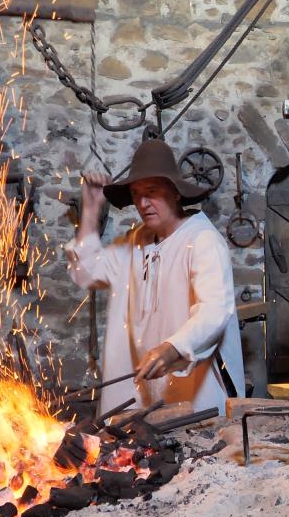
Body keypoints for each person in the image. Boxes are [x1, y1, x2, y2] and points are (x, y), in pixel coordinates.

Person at [66, 139, 244, 415]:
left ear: (174, 193)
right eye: (137, 194)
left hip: (197, 396)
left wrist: (174, 347)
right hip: (147, 396)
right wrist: (91, 210)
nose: (143, 203)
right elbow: (85, 272)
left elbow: (214, 311)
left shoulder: (203, 240)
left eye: (152, 192)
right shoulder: (136, 241)